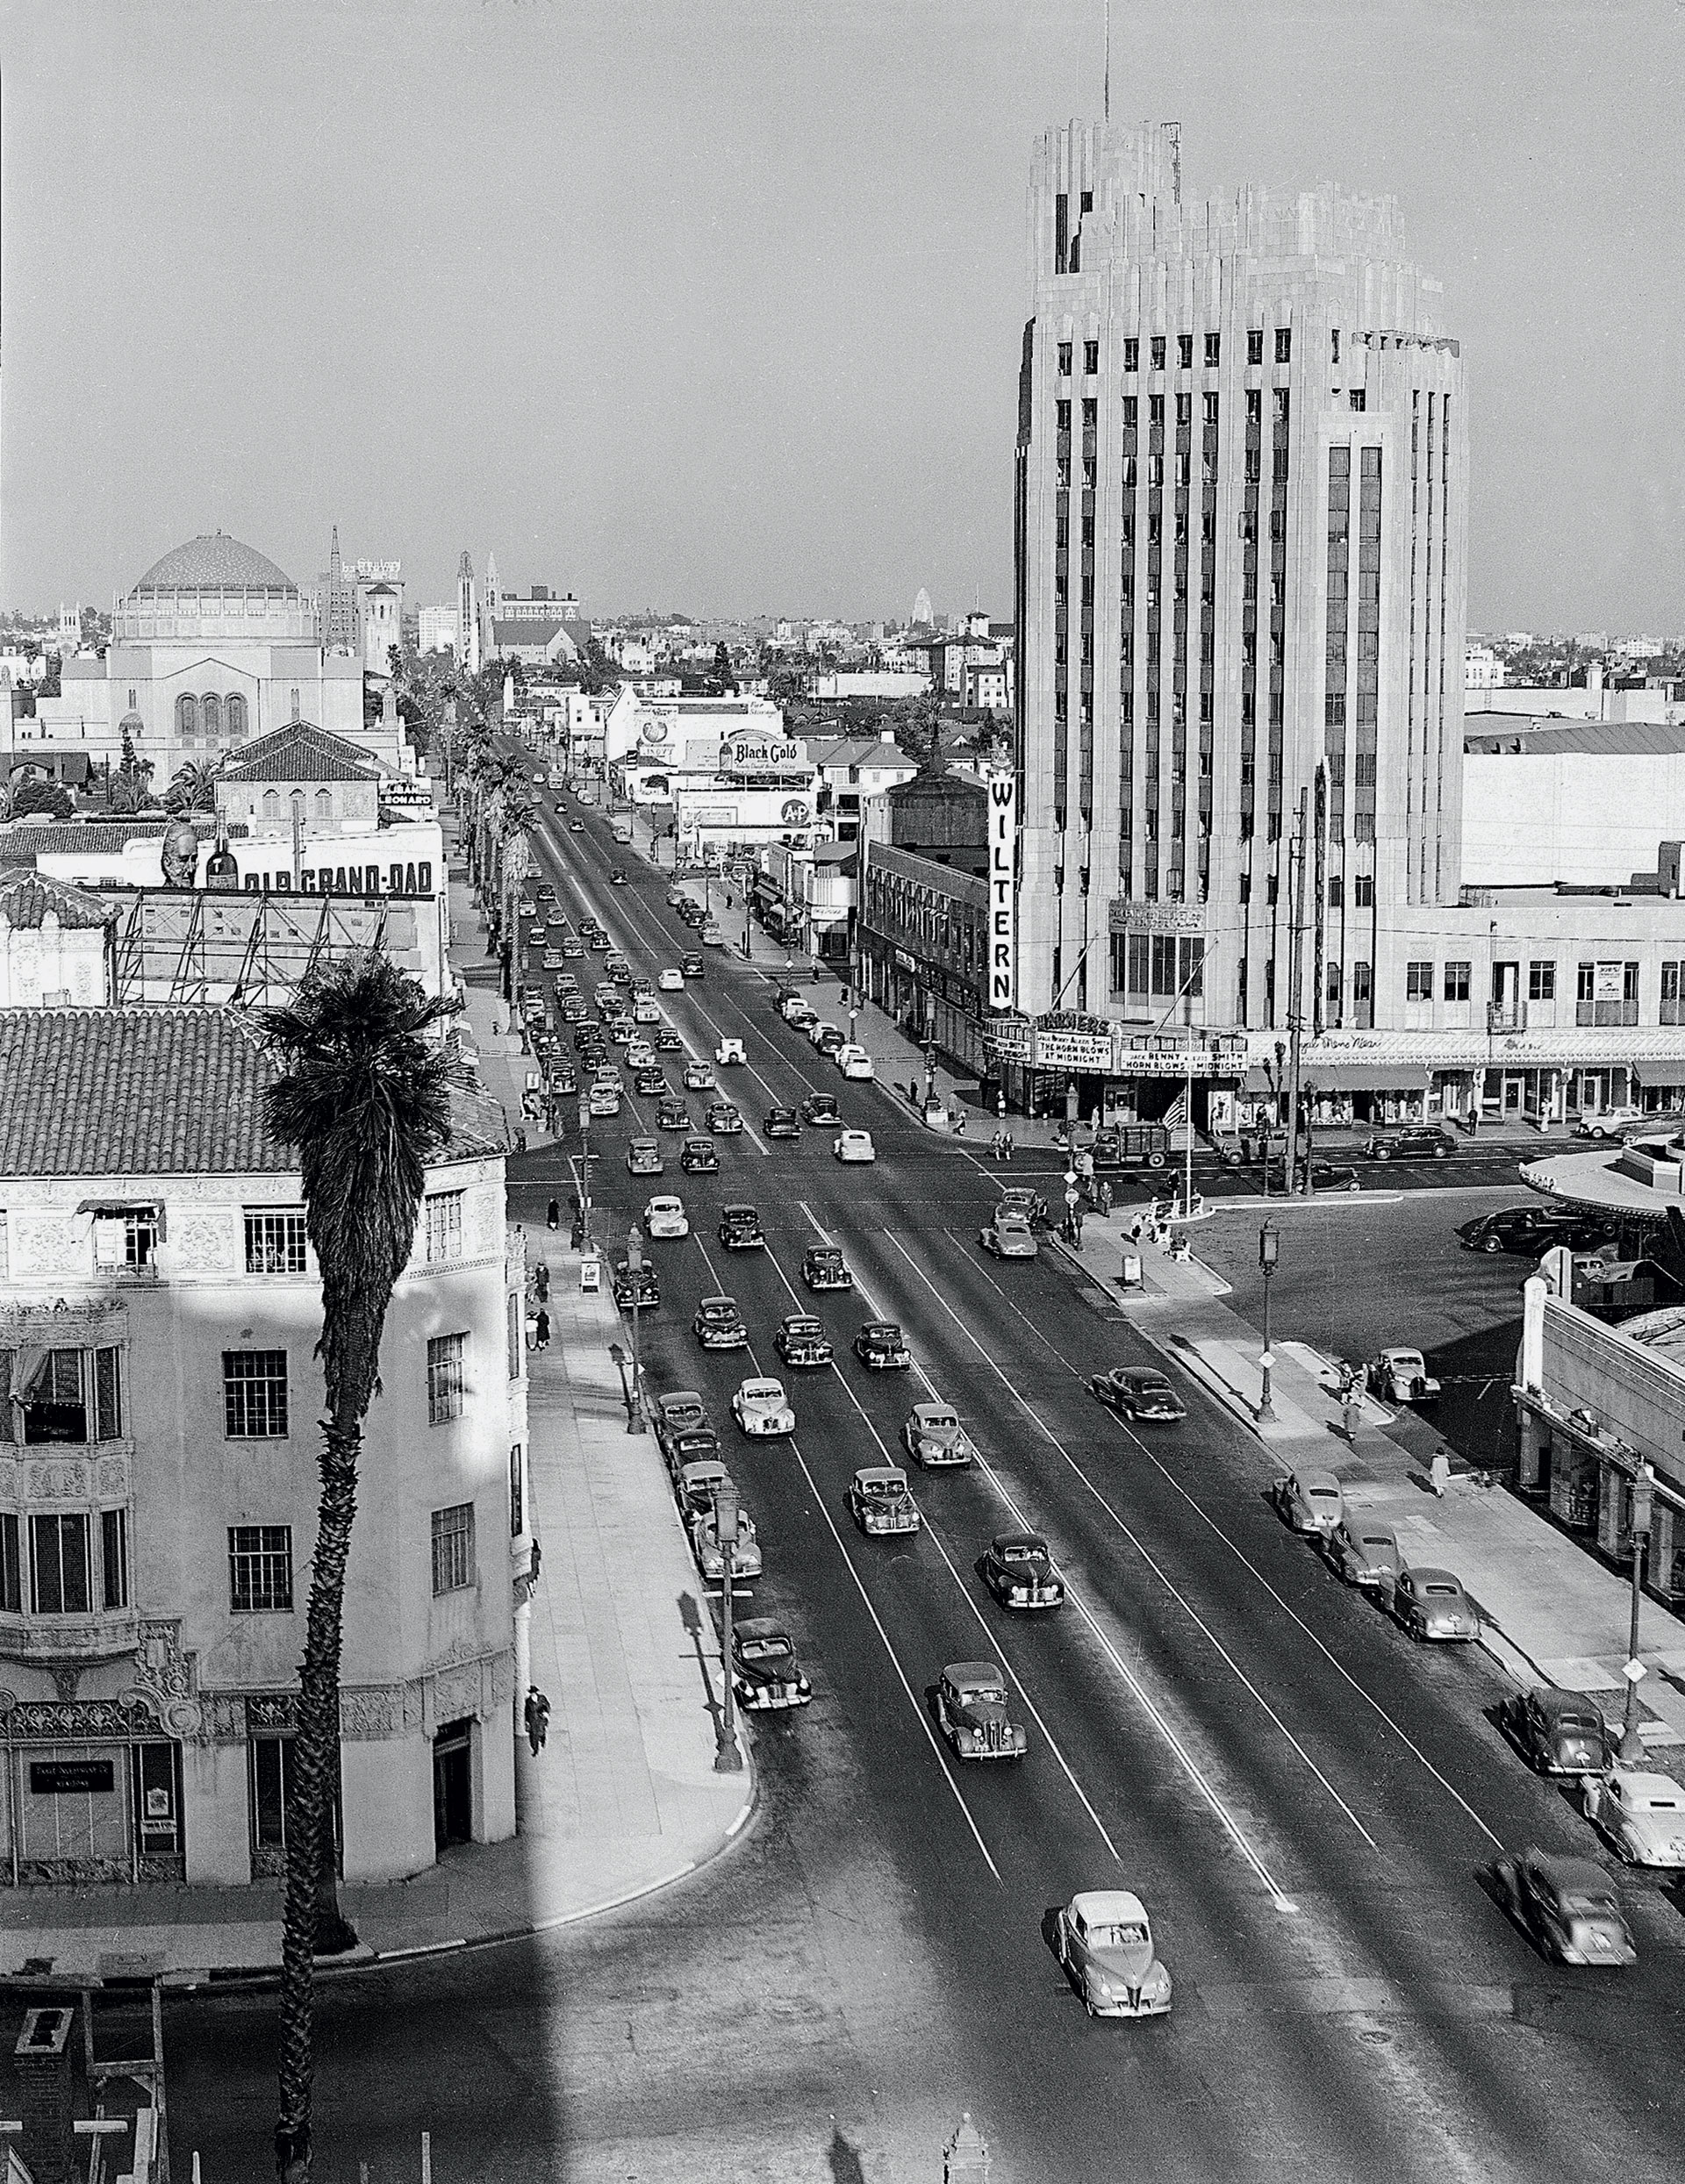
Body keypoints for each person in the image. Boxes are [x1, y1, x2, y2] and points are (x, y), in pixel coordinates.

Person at [524, 1686, 551, 1757]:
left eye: (533, 1693)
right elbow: (526, 1711)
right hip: (532, 1720)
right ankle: (535, 1749)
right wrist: (527, 1721)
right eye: (531, 1693)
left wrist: (546, 1712)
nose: (532, 1694)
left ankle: (542, 1740)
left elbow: (547, 1705)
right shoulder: (528, 1701)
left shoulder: (542, 1698)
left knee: (541, 1731)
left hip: (540, 1718)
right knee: (533, 1735)